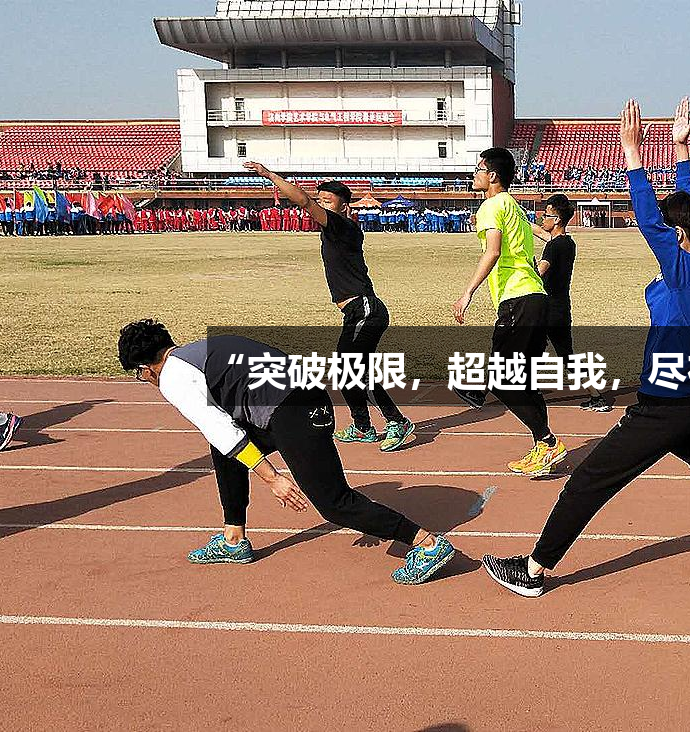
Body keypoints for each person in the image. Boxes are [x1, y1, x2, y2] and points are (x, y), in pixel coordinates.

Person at [481, 98, 690, 598]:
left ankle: (533, 571)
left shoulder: (681, 272)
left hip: (662, 408)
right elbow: (689, 212)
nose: (663, 233)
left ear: (677, 234)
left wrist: (633, 154)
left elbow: (650, 219)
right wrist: (682, 149)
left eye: (670, 229)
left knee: (587, 482)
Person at [117, 321, 454, 583]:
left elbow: (220, 428)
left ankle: (426, 544)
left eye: (140, 376)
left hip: (293, 413)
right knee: (224, 452)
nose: (145, 381)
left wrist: (273, 478)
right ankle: (233, 539)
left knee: (334, 504)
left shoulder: (173, 376)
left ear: (147, 368)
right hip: (306, 400)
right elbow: (227, 435)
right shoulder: (201, 350)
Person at [245, 161, 416, 452]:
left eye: (328, 200)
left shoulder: (342, 226)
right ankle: (363, 426)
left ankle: (396, 421)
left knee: (353, 369)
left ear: (344, 205)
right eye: (320, 199)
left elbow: (303, 201)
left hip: (365, 309)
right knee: (346, 370)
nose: (321, 204)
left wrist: (269, 175)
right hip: (356, 312)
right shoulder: (335, 229)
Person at [451, 147, 566, 477]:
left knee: (504, 381)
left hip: (518, 300)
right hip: (535, 298)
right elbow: (536, 240)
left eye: (478, 169)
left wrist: (467, 293)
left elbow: (493, 251)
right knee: (523, 380)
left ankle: (547, 440)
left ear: (492, 176)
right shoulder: (513, 206)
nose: (474, 174)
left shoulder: (490, 206)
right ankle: (542, 446)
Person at [532, 193, 609, 411]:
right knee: (559, 354)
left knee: (528, 348)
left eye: (546, 215)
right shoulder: (567, 243)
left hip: (549, 309)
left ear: (556, 219)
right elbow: (540, 232)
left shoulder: (553, 247)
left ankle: (525, 391)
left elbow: (539, 272)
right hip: (561, 307)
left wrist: (528, 267)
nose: (542, 218)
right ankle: (596, 396)